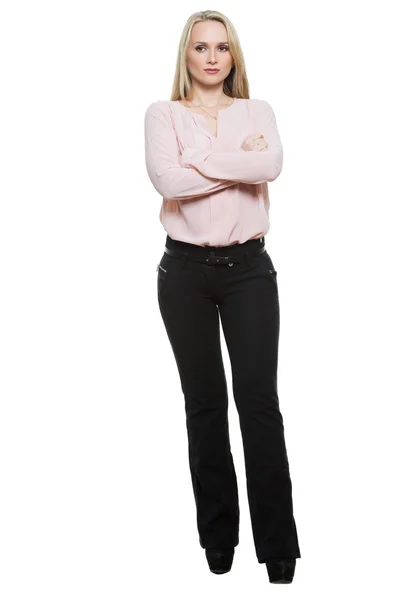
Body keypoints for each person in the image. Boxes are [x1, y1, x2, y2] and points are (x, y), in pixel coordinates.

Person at [144, 10, 301, 583]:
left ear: (234, 56)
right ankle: (219, 537)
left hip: (248, 270)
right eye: (201, 47)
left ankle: (278, 546)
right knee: (204, 403)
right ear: (185, 56)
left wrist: (201, 162)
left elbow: (273, 164)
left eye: (222, 47)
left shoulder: (257, 112)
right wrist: (239, 164)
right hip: (184, 272)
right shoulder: (162, 114)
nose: (212, 57)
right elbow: (168, 183)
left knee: (259, 402)